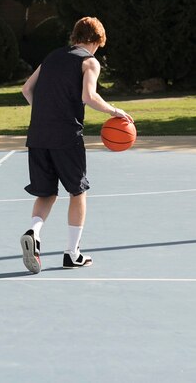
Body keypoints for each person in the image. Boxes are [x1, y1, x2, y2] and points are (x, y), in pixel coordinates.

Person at [20, 16, 133, 274]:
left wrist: (45, 113)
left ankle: (33, 233)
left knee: (46, 192)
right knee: (77, 191)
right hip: (66, 136)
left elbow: (27, 89)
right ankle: (72, 253)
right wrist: (115, 111)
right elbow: (88, 96)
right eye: (98, 46)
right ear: (95, 41)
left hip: (38, 134)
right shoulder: (89, 61)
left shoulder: (51, 57)